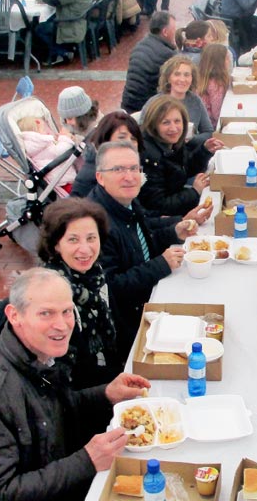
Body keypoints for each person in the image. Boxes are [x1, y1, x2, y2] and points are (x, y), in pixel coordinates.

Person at [0, 268, 152, 501]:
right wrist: (87, 461)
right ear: (14, 316)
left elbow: (52, 410)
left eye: (67, 311)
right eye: (46, 314)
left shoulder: (36, 354)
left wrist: (105, 394)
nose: (63, 325)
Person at [85, 141, 203, 355]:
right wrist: (161, 265)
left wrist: (173, 232)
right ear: (100, 177)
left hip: (147, 296)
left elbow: (139, 245)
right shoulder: (95, 225)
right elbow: (112, 288)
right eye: (118, 169)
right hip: (128, 326)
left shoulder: (125, 202)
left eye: (134, 169)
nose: (129, 176)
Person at [38, 198, 123, 386]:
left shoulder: (95, 275)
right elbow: (65, 376)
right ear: (56, 245)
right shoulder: (51, 294)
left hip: (104, 372)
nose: (85, 249)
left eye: (91, 238)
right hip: (77, 393)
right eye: (73, 239)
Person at [138, 95, 221, 216]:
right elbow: (158, 205)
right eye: (166, 123)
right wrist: (194, 192)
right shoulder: (149, 157)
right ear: (154, 125)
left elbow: (183, 169)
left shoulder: (172, 143)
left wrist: (204, 151)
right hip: (162, 221)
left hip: (177, 206)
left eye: (177, 121)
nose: (173, 128)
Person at [140, 56, 216, 145]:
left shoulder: (196, 101)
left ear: (192, 79)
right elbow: (143, 132)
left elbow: (208, 132)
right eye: (177, 74)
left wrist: (191, 140)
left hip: (188, 151)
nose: (182, 79)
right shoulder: (154, 103)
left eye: (187, 75)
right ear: (168, 78)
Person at [71, 111, 144, 198]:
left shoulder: (130, 162)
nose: (129, 143)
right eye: (121, 137)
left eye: (133, 139)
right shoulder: (95, 175)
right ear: (105, 139)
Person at [121, 11, 177, 113]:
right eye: (174, 30)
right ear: (165, 32)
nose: (175, 33)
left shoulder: (139, 46)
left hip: (128, 103)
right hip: (148, 108)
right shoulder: (168, 54)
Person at [17, 114, 78, 196]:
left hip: (57, 180)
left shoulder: (35, 145)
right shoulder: (41, 142)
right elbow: (59, 151)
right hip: (61, 181)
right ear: (38, 124)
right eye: (47, 129)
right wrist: (65, 138)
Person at [196, 44, 233, 128]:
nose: (229, 61)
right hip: (211, 126)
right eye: (226, 58)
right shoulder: (216, 83)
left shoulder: (201, 78)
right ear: (219, 62)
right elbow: (217, 114)